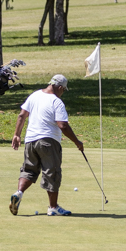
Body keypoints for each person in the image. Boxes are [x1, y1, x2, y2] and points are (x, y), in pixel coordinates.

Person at [9, 74, 84, 217]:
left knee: (29, 170)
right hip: (48, 141)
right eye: (63, 90)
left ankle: (18, 193)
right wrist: (77, 142)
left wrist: (16, 135)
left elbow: (21, 115)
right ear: (60, 87)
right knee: (52, 173)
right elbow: (62, 125)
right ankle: (53, 207)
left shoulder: (34, 96)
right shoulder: (56, 102)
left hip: (30, 141)